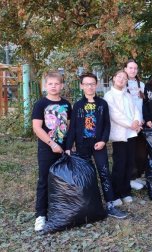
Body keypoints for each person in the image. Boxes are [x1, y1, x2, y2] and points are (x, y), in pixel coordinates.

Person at [65, 72, 127, 219]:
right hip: (82, 146)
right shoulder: (78, 105)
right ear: (81, 86)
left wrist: (103, 141)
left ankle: (111, 204)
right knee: (87, 175)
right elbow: (72, 127)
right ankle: (90, 206)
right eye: (86, 84)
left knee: (104, 173)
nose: (89, 87)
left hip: (99, 145)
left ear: (97, 85)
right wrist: (68, 147)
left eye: (92, 84)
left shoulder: (102, 104)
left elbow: (107, 125)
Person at [32, 71, 72, 231]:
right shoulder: (40, 104)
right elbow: (36, 127)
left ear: (61, 85)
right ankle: (41, 215)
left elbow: (68, 127)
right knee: (44, 180)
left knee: (62, 179)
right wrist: (52, 144)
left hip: (62, 149)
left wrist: (68, 146)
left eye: (57, 84)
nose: (54, 86)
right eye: (50, 84)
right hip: (47, 149)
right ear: (45, 86)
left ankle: (59, 209)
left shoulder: (67, 104)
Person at [104, 70, 142, 205]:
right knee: (119, 165)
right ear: (114, 78)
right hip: (120, 135)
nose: (121, 79)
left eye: (124, 78)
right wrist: (131, 124)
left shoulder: (128, 95)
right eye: (119, 76)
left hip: (131, 134)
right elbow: (115, 115)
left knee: (129, 163)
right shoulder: (109, 96)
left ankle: (126, 191)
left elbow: (136, 109)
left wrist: (137, 121)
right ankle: (115, 194)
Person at [124, 59, 146, 190]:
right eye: (130, 68)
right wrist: (132, 123)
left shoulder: (141, 84)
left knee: (141, 153)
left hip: (141, 123)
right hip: (129, 124)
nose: (133, 70)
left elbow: (142, 104)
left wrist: (141, 120)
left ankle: (138, 176)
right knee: (129, 152)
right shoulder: (121, 83)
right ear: (125, 69)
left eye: (135, 68)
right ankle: (130, 178)